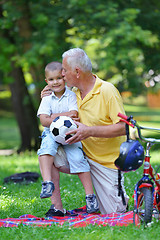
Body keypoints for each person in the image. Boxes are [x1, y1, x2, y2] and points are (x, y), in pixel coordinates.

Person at [41, 49, 129, 217]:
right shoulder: (71, 94)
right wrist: (46, 98)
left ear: (77, 72)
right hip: (78, 153)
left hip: (105, 163)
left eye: (64, 70)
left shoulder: (107, 91)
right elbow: (50, 115)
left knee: (115, 213)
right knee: (47, 153)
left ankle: (117, 196)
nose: (62, 74)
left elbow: (123, 128)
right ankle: (56, 208)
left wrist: (89, 131)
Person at [37, 61, 99, 215]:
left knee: (79, 159)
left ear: (64, 77)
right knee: (45, 150)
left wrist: (52, 116)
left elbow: (74, 114)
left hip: (70, 134)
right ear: (47, 81)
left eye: (59, 78)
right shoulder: (46, 99)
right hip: (51, 133)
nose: (55, 82)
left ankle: (90, 197)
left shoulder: (71, 95)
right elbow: (44, 121)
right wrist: (60, 117)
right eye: (51, 79)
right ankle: (47, 183)